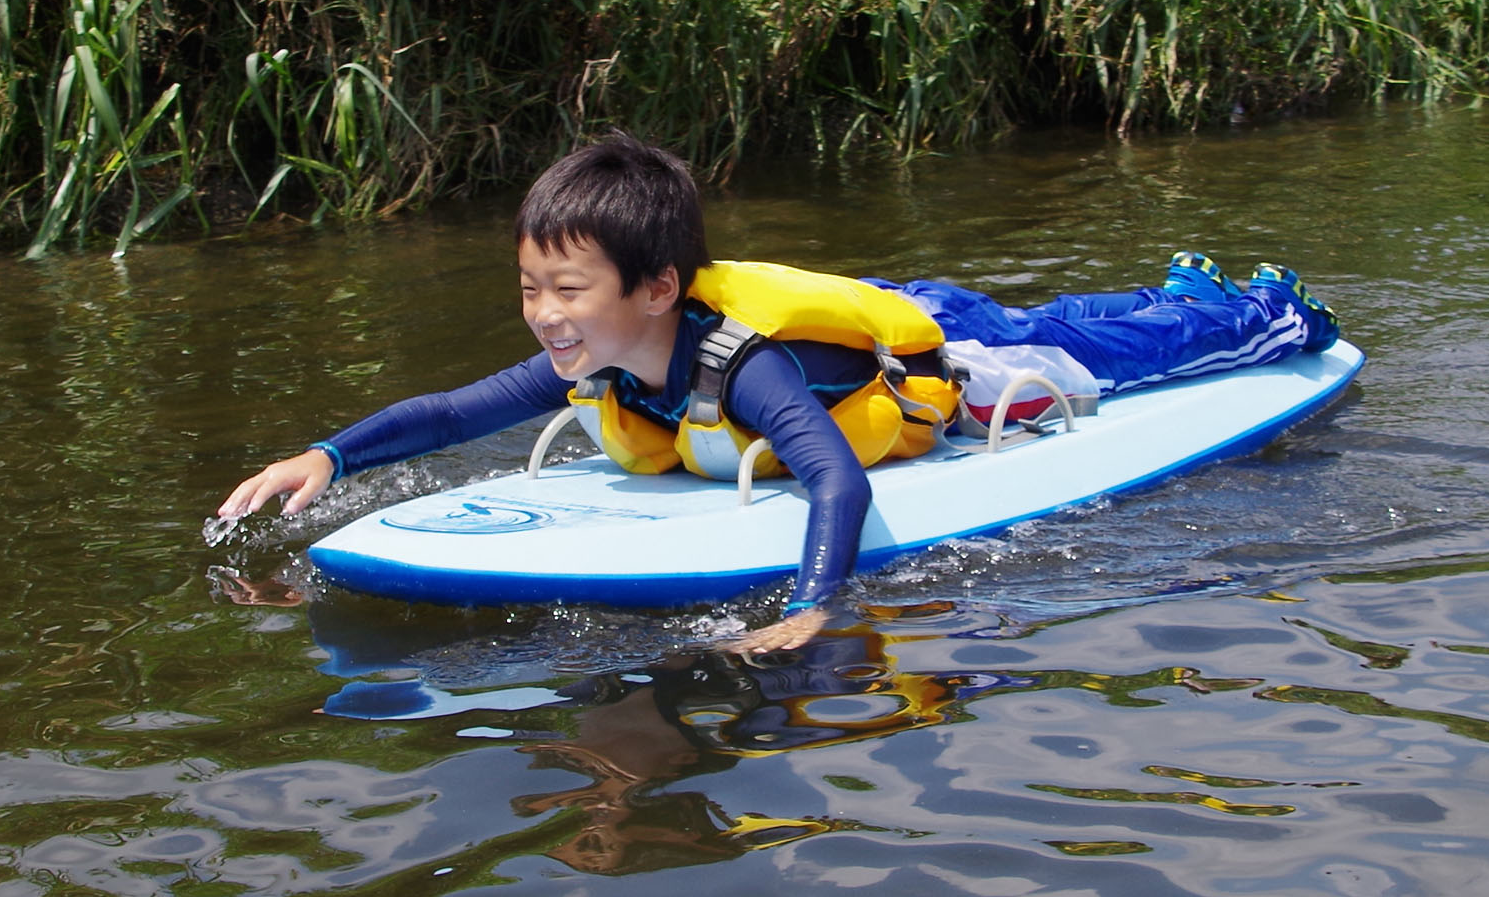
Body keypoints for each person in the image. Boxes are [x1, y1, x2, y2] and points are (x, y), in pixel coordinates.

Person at [217, 135, 1340, 654]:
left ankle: (1260, 312)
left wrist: (814, 603)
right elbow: (454, 412)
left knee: (1098, 348)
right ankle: (1198, 296)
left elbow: (832, 472)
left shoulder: (736, 363)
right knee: (1086, 319)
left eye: (568, 290)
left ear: (658, 288)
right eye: (529, 289)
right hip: (877, 317)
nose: (544, 314)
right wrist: (330, 456)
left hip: (937, 342)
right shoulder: (604, 354)